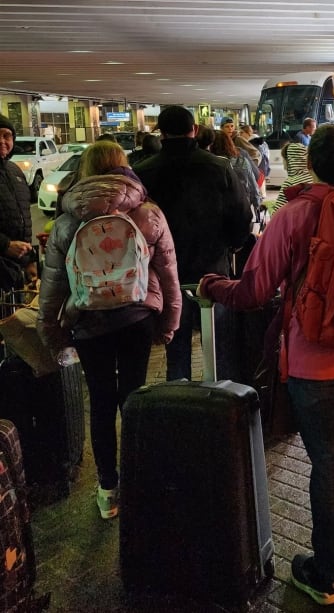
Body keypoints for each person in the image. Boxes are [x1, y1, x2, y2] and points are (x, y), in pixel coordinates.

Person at [197, 124, 334, 606]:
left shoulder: (295, 213)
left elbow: (254, 291)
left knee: (328, 457)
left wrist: (212, 286)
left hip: (314, 358)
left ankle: (325, 575)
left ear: (310, 163)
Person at [36, 140, 181, 520]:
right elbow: (168, 275)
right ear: (123, 166)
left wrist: (54, 338)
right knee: (134, 397)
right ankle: (140, 478)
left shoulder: (68, 221)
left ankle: (108, 489)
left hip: (89, 323)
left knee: (101, 403)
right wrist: (169, 324)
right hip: (137, 318)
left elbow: (52, 288)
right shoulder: (148, 214)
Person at [134, 106, 252, 381]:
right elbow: (241, 216)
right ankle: (222, 398)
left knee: (175, 345)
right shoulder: (219, 166)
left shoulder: (143, 172)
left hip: (165, 274)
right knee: (219, 344)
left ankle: (180, 402)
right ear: (195, 130)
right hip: (213, 270)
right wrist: (232, 245)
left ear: (161, 134)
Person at [0, 114, 35, 293]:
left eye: (7, 135)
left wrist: (28, 260)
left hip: (14, 272)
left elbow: (24, 218)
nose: (2, 141)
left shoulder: (14, 171)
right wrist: (5, 246)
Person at [274, 141, 312, 210]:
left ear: (290, 161)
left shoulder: (289, 183)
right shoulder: (313, 178)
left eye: (284, 159)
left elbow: (276, 213)